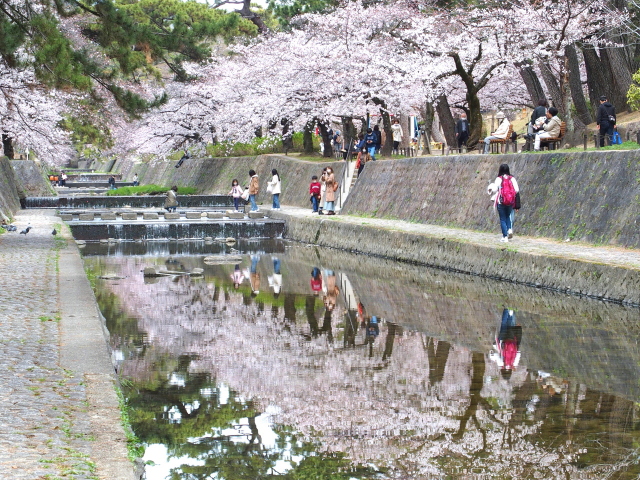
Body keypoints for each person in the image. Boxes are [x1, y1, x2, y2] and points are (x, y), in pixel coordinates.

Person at [487, 164, 519, 242]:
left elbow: (494, 189)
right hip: (510, 202)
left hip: (501, 202)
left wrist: (491, 188)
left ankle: (505, 237)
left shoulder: (499, 178)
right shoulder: (512, 178)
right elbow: (517, 189)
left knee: (502, 219)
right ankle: (509, 229)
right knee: (508, 216)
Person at [491, 308, 522, 379]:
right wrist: (493, 357)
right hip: (502, 341)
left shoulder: (514, 364)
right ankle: (506, 309)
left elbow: (519, 353)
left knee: (512, 325)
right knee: (504, 324)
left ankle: (512, 312)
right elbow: (495, 355)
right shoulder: (501, 364)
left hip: (512, 341)